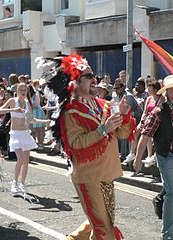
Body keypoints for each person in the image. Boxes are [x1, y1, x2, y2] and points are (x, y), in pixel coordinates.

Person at [38, 53, 135, 240]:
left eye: (94, 76)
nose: (94, 80)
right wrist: (103, 129)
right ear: (75, 82)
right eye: (88, 76)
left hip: (107, 174)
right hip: (88, 177)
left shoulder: (104, 105)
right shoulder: (71, 112)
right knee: (104, 229)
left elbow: (123, 133)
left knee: (99, 222)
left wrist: (124, 115)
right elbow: (75, 144)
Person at [133, 73, 173, 240]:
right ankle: (169, 235)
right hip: (167, 156)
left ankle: (172, 230)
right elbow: (146, 135)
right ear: (170, 92)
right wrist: (137, 157)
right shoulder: (159, 112)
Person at [0, 82, 49, 194]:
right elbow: (0, 110)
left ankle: (22, 184)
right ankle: (14, 183)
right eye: (21, 89)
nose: (23, 91)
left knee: (26, 161)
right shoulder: (13, 101)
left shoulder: (28, 103)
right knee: (20, 159)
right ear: (17, 91)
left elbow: (31, 120)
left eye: (25, 90)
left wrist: (45, 121)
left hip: (25, 133)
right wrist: (13, 110)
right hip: (15, 134)